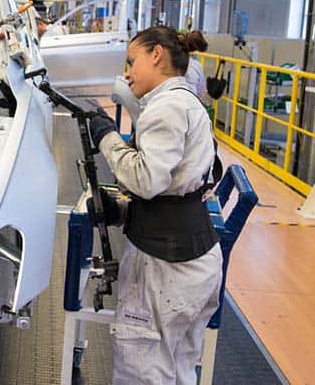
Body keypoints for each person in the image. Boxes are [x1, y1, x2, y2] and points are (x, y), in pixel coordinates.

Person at [87, 26, 222, 385]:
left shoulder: (167, 106)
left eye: (132, 62)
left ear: (157, 55)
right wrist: (126, 213)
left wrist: (107, 139)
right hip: (193, 263)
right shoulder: (187, 101)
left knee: (141, 371)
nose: (127, 73)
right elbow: (182, 187)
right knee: (178, 371)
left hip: (167, 270)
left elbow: (147, 180)